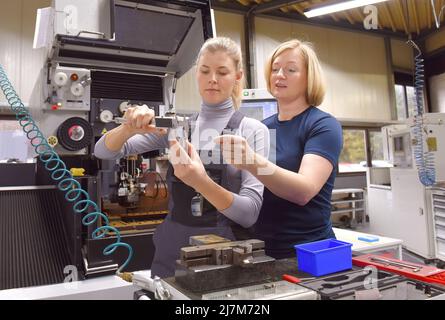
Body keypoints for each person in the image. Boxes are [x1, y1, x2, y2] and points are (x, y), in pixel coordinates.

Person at [94, 37, 270, 278]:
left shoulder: (252, 130)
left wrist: (199, 181)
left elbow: (249, 213)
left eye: (222, 72)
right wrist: (128, 127)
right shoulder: (178, 128)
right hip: (171, 251)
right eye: (205, 71)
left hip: (224, 254)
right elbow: (102, 151)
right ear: (197, 73)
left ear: (238, 77)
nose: (213, 79)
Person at [215, 39, 343, 259]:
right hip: (263, 250)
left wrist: (251, 161)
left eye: (290, 70)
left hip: (310, 251)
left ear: (309, 78)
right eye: (275, 69)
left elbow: (303, 191)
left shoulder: (322, 125)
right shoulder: (264, 127)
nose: (279, 75)